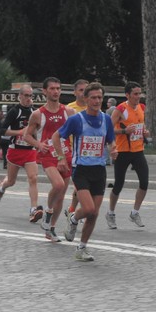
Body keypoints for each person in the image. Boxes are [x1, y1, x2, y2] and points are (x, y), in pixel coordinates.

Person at [55, 82, 117, 261]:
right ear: (86, 99)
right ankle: (73, 218)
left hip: (99, 170)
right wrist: (60, 158)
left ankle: (81, 248)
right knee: (89, 209)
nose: (97, 101)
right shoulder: (77, 119)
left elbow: (111, 140)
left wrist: (114, 149)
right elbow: (57, 136)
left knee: (94, 213)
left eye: (100, 97)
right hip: (81, 169)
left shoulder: (106, 119)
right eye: (93, 97)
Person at [23, 77, 76, 242]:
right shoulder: (38, 114)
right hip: (48, 156)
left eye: (58, 88)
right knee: (58, 185)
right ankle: (48, 211)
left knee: (61, 195)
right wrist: (38, 144)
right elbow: (26, 136)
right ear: (45, 91)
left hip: (66, 155)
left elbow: (76, 133)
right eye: (52, 88)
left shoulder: (69, 112)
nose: (56, 91)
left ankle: (51, 229)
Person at [0, 84, 43, 223]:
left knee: (33, 178)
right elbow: (1, 131)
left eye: (30, 96)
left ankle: (33, 210)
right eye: (26, 95)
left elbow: (38, 131)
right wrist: (19, 132)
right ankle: (1, 187)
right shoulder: (14, 111)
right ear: (20, 96)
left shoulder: (35, 112)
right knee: (11, 181)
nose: (28, 98)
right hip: (15, 150)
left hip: (30, 151)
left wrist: (38, 143)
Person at [106, 81, 150, 229]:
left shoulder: (142, 108)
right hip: (123, 151)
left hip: (138, 150)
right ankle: (111, 213)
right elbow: (109, 130)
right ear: (127, 95)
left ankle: (135, 212)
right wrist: (124, 131)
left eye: (140, 93)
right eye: (135, 94)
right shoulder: (120, 109)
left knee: (144, 182)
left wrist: (144, 132)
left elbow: (140, 126)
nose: (139, 96)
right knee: (118, 184)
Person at [63, 79, 89, 219]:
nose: (84, 93)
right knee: (80, 185)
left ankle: (72, 209)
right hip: (73, 153)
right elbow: (61, 132)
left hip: (90, 153)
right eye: (81, 90)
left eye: (86, 90)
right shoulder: (69, 109)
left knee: (81, 185)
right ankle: (74, 211)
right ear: (75, 92)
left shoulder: (93, 108)